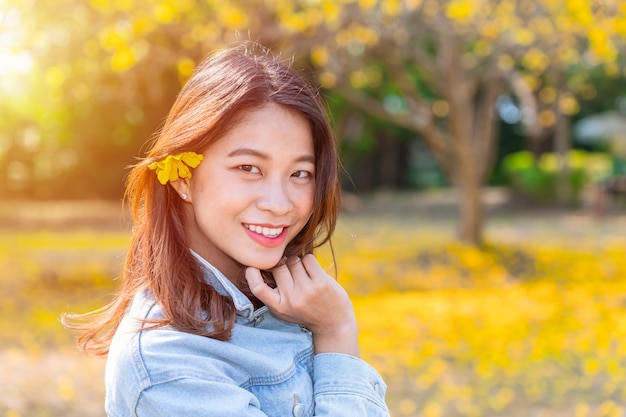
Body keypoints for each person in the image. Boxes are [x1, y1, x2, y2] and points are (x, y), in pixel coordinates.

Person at [64, 41, 389, 417]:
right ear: (182, 178)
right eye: (249, 168)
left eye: (300, 173)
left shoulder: (284, 305)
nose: (280, 203)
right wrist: (336, 332)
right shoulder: (169, 363)